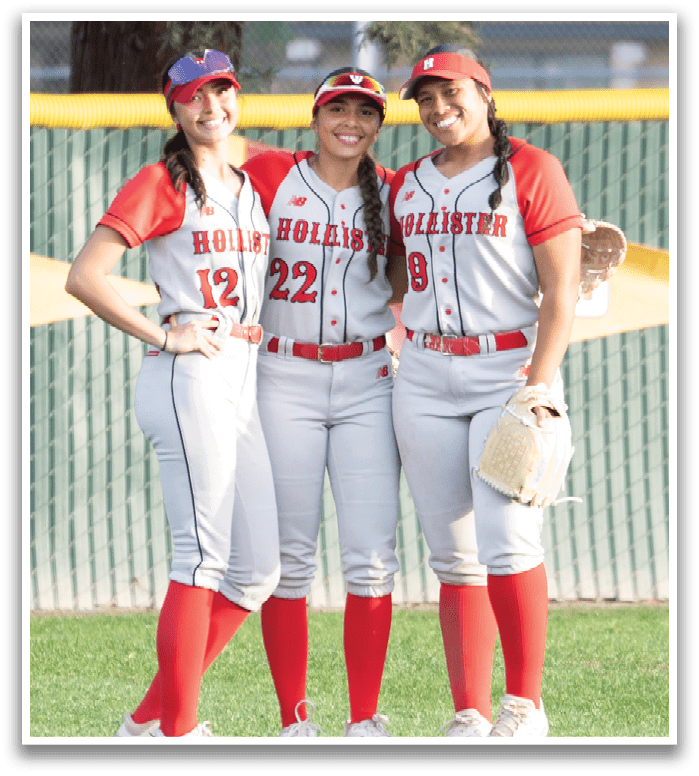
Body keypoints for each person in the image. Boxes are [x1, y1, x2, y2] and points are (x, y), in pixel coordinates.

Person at [65, 49, 280, 738]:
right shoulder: (162, 182)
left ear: (237, 97)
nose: (210, 105)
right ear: (175, 108)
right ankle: (177, 734)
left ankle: (144, 724)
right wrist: (165, 335)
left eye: (221, 90)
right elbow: (85, 275)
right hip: (192, 373)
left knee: (257, 570)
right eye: (194, 95)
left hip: (242, 370)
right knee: (203, 558)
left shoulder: (252, 182)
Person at [388, 45, 582, 737]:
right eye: (426, 99)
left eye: (452, 93)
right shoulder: (407, 183)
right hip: (423, 377)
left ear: (484, 94)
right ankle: (468, 714)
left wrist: (538, 387)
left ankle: (525, 708)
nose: (439, 108)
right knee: (452, 557)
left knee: (508, 540)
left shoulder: (534, 168)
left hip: (508, 373)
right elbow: (393, 278)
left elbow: (562, 292)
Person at [241, 68, 404, 737]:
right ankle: (294, 721)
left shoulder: (395, 190)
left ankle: (364, 721)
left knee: (372, 555)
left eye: (365, 112)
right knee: (288, 557)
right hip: (282, 376)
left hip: (368, 378)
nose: (350, 122)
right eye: (337, 108)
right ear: (314, 118)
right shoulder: (269, 174)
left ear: (378, 125)